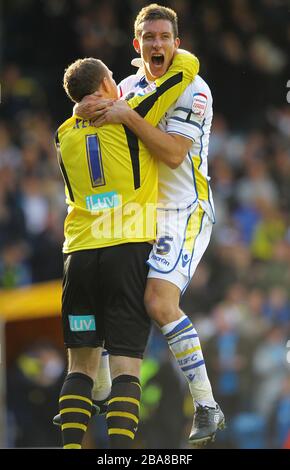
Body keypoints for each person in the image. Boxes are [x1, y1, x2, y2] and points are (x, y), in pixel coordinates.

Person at [75, 3, 225, 446]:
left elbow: (175, 154)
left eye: (164, 37)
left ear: (177, 45)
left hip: (184, 210)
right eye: (149, 37)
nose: (157, 43)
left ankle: (206, 406)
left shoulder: (194, 89)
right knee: (105, 289)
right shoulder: (127, 86)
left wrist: (125, 115)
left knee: (160, 304)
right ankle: (102, 389)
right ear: (136, 45)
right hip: (138, 212)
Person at [55, 51, 199, 449]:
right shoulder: (131, 114)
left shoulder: (63, 134)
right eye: (113, 79)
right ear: (105, 87)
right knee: (125, 367)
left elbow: (77, 117)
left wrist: (82, 107)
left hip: (79, 258)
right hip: (127, 254)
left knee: (80, 366)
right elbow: (187, 68)